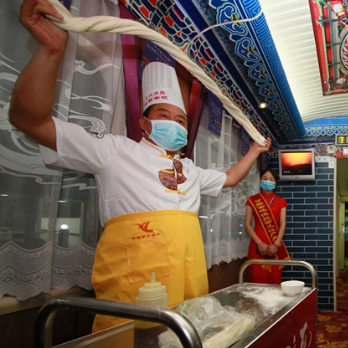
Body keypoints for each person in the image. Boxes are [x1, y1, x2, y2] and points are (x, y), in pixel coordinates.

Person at [9, 0, 271, 331]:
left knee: (184, 346)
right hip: (134, 286)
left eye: (181, 120)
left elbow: (230, 177)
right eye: (164, 115)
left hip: (189, 282)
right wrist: (51, 50)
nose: (174, 124)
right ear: (144, 123)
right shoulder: (115, 151)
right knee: (127, 346)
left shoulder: (189, 169)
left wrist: (256, 150)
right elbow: (30, 120)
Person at [244, 168, 289, 284]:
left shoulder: (281, 201)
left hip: (274, 243)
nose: (267, 181)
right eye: (265, 179)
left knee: (274, 280)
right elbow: (247, 224)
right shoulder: (252, 200)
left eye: (271, 179)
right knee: (256, 279)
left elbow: (283, 224)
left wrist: (276, 244)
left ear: (275, 183)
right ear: (260, 180)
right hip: (256, 244)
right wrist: (259, 243)